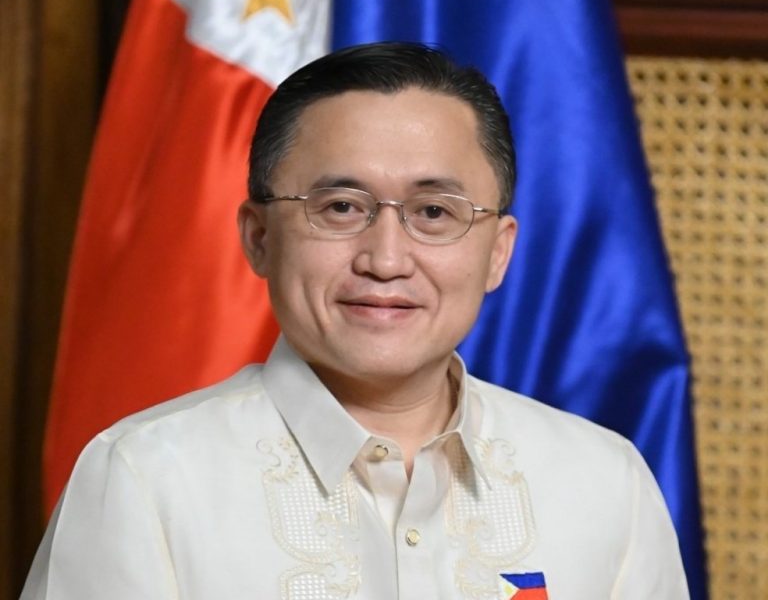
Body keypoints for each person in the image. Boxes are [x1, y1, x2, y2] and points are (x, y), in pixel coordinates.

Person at [21, 42, 689, 599]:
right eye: (340, 207)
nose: (386, 260)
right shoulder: (144, 479)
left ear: (498, 252)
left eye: (434, 212)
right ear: (259, 237)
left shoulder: (606, 483)